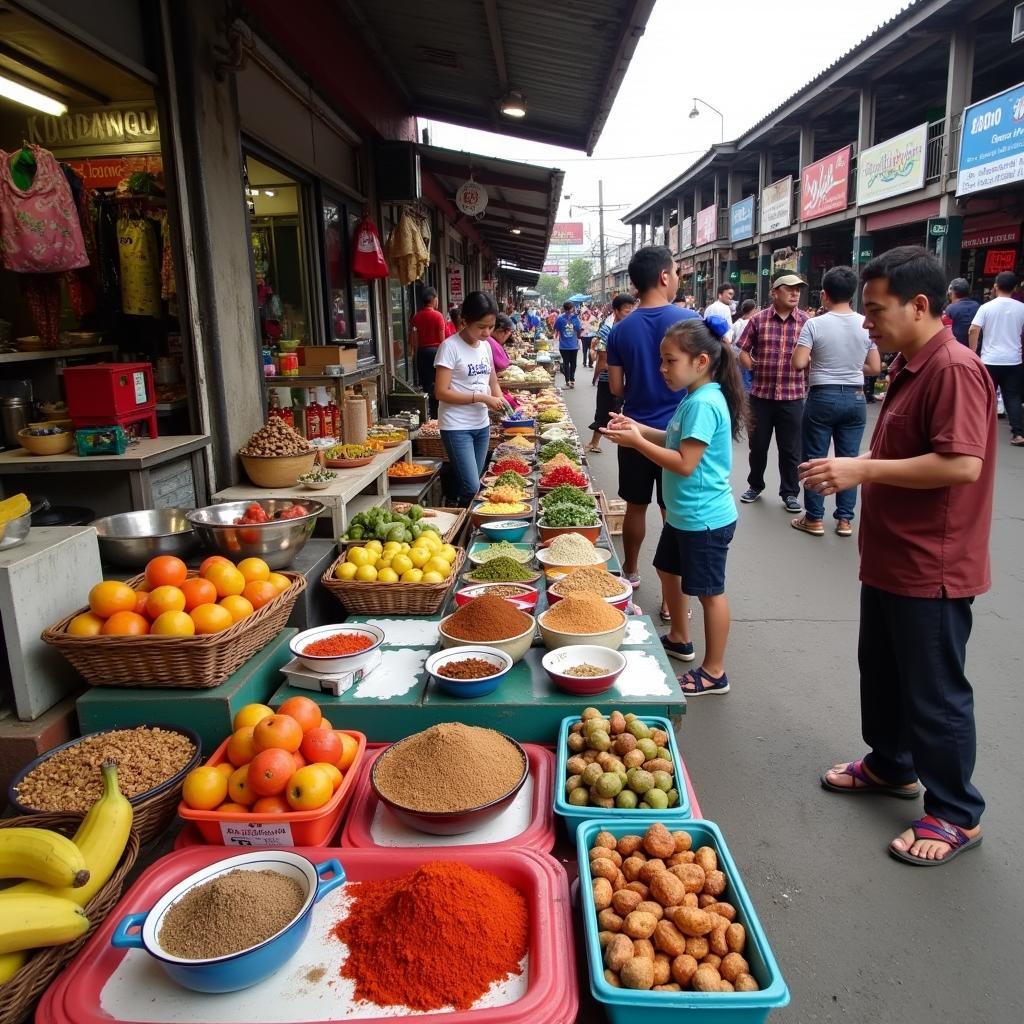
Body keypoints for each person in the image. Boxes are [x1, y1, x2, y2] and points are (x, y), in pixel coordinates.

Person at [807, 246, 994, 866]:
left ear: (921, 306)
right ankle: (891, 764)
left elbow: (962, 464)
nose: (866, 322)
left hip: (930, 565)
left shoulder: (954, 368)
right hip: (890, 558)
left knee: (934, 690)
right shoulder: (912, 363)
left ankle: (955, 813)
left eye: (876, 310)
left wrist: (860, 468)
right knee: (883, 672)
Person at [604, 315, 746, 695]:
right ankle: (680, 637)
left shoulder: (704, 403)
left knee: (709, 592)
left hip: (705, 519)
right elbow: (670, 437)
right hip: (685, 515)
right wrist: (634, 428)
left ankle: (715, 671)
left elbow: (684, 462)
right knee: (668, 568)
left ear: (701, 361)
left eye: (670, 361)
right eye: (662, 360)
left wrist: (636, 444)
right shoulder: (694, 397)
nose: (662, 368)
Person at [606, 244, 699, 611]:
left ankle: (630, 571)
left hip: (633, 431)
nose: (677, 279)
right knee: (672, 514)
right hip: (678, 434)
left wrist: (642, 389)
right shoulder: (688, 321)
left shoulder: (620, 330)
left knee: (635, 506)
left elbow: (615, 388)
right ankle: (670, 601)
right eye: (676, 272)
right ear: (663, 276)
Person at [790, 266, 881, 537]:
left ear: (824, 295)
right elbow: (874, 367)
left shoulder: (814, 324)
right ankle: (844, 520)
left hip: (822, 396)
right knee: (849, 459)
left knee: (815, 458)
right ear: (852, 294)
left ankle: (814, 518)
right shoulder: (865, 324)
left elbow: (798, 362)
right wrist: (851, 367)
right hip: (855, 398)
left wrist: (819, 362)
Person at [735, 274, 809, 512]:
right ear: (775, 292)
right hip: (761, 396)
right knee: (758, 446)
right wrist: (753, 366)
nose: (795, 294)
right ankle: (755, 485)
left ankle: (789, 492)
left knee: (790, 449)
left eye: (798, 290)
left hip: (793, 396)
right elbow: (743, 351)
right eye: (790, 289)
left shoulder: (806, 322)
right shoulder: (758, 320)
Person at [433, 291, 507, 506]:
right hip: (457, 426)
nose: (487, 332)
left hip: (481, 425)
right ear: (465, 321)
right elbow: (441, 392)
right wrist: (482, 398)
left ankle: (465, 518)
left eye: (491, 326)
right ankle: (464, 522)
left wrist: (501, 402)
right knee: (472, 486)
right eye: (481, 327)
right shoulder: (449, 347)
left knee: (475, 483)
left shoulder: (485, 346)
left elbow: (492, 381)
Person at [968, 270, 1024, 446]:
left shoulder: (986, 307)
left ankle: (978, 434)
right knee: (1013, 397)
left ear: (995, 286)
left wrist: (972, 350)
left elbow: (973, 329)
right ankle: (1018, 434)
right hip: (1013, 360)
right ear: (1015, 288)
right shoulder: (1021, 307)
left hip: (989, 360)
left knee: (984, 396)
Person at [588, 294, 637, 452]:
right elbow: (602, 360)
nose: (630, 314)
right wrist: (596, 377)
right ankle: (595, 442)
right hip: (608, 379)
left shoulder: (631, 328)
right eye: (626, 311)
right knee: (605, 411)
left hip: (626, 379)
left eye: (632, 311)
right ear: (616, 311)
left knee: (616, 412)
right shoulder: (608, 329)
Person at [409, 286, 447, 419]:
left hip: (422, 352)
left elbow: (414, 338)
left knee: (426, 384)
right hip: (437, 351)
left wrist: (414, 352)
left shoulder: (417, 317)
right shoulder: (438, 316)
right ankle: (438, 412)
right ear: (433, 299)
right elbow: (442, 339)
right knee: (439, 382)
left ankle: (428, 413)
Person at [728, 299, 757, 392]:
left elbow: (730, 341)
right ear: (753, 309)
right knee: (748, 384)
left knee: (743, 384)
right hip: (749, 358)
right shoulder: (754, 323)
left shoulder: (736, 324)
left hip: (738, 359)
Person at [554, 301, 583, 388]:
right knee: (573, 363)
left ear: (564, 308)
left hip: (563, 346)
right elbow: (579, 330)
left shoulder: (560, 318)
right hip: (573, 345)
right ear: (571, 308)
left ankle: (567, 381)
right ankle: (572, 380)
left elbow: (556, 328)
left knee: (566, 363)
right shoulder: (575, 318)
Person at [943, 278, 979, 347]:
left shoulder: (950, 309)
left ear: (951, 292)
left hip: (955, 349)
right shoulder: (977, 306)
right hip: (975, 350)